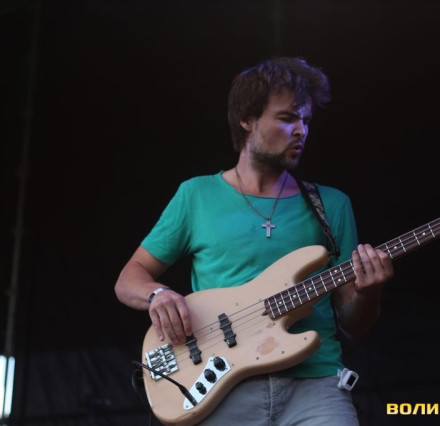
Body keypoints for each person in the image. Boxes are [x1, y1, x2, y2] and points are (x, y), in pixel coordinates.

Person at [115, 56, 394, 425]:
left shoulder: (332, 205)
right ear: (247, 119)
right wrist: (158, 295)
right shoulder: (196, 196)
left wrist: (369, 293)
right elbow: (129, 278)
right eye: (287, 118)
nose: (301, 131)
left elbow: (353, 324)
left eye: (306, 121)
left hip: (315, 388)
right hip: (222, 388)